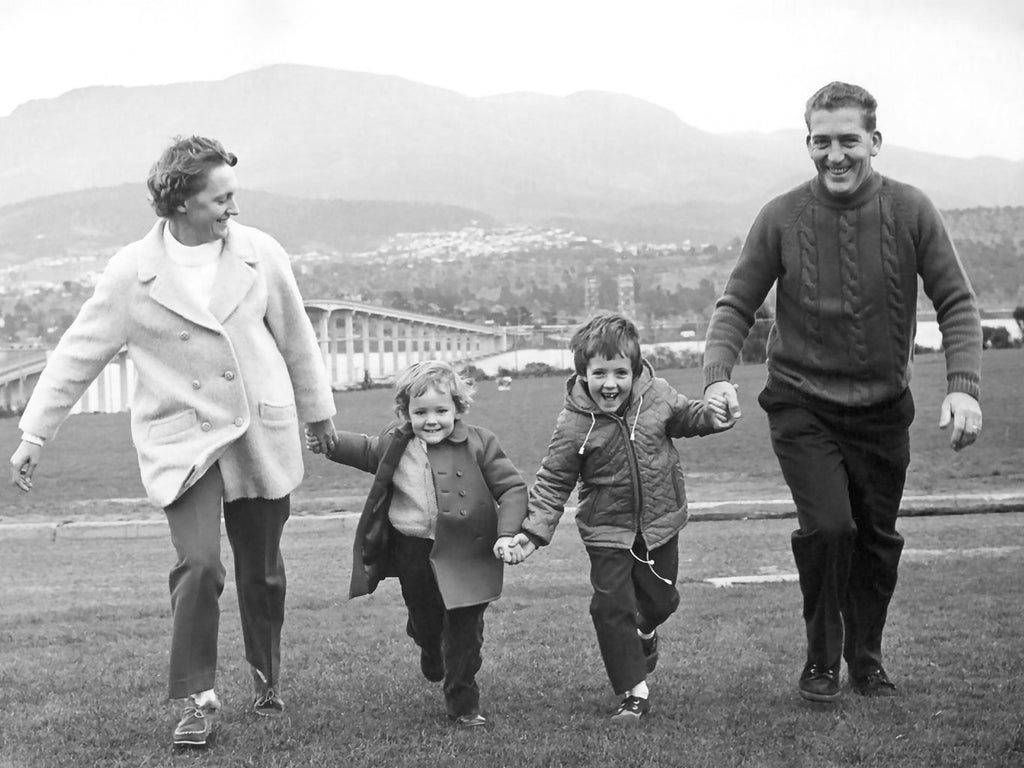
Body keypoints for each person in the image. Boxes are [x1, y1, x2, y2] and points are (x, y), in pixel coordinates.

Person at [8, 135, 338, 747]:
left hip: (257, 431)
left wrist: (318, 415)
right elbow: (79, 353)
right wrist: (34, 433)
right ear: (181, 201)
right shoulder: (132, 272)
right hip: (182, 442)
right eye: (220, 199)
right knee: (200, 565)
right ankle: (197, 698)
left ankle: (267, 674)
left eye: (233, 196)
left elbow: (296, 338)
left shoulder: (261, 253)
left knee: (262, 572)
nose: (232, 209)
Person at [702, 82, 983, 703]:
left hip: (884, 410)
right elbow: (735, 306)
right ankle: (821, 659)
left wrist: (963, 388)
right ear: (808, 142)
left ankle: (867, 658)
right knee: (830, 528)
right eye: (821, 141)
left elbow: (958, 303)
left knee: (876, 540)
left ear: (874, 142)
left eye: (848, 140)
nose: (835, 155)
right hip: (802, 403)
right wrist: (718, 376)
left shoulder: (912, 211)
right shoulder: (781, 217)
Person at [496, 312, 733, 723]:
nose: (611, 383)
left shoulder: (656, 395)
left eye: (620, 372)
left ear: (636, 369)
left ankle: (646, 629)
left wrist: (712, 417)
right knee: (610, 607)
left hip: (660, 524)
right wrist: (531, 534)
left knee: (661, 602)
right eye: (599, 373)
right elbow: (553, 481)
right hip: (606, 530)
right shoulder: (574, 423)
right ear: (583, 374)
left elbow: (687, 416)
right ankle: (633, 692)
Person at [307, 360, 527, 728]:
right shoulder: (397, 442)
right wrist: (328, 443)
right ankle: (426, 641)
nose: (432, 420)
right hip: (413, 550)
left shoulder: (481, 444)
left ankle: (463, 703)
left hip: (467, 552)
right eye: (420, 411)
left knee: (464, 631)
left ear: (458, 408)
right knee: (427, 622)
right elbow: (363, 449)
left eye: (441, 410)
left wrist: (507, 533)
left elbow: (513, 488)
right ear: (404, 413)